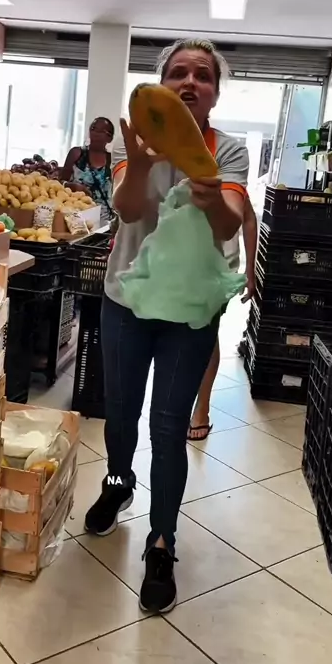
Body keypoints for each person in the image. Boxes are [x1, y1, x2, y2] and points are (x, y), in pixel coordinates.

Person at [84, 38, 249, 614]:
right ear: (162, 85)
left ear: (215, 93)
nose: (190, 82)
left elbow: (228, 226)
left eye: (203, 75)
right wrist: (141, 164)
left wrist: (210, 194)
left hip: (190, 310)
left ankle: (162, 542)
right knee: (120, 411)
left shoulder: (227, 150)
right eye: (178, 72)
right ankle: (117, 484)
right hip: (125, 300)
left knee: (169, 424)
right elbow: (130, 210)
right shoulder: (135, 139)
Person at [187, 195, 258, 441]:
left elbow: (248, 218)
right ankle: (179, 400)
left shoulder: (228, 177)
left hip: (219, 271)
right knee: (184, 333)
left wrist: (250, 270)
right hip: (179, 268)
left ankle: (202, 407)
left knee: (206, 332)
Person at [60, 117, 115, 223]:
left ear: (109, 138)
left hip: (105, 222)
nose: (95, 133)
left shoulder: (112, 160)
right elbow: (59, 183)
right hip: (76, 220)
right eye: (93, 128)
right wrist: (72, 186)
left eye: (101, 131)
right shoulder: (76, 154)